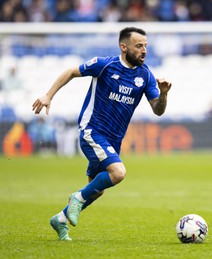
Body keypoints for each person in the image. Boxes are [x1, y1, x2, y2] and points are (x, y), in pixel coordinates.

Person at [32, 27, 172, 240]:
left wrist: (163, 94)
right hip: (92, 131)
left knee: (97, 189)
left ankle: (60, 219)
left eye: (146, 46)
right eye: (139, 46)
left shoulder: (145, 75)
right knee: (118, 173)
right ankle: (76, 198)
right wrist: (48, 95)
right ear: (123, 47)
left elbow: (158, 110)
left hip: (114, 140)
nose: (144, 51)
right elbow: (71, 71)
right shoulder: (105, 64)